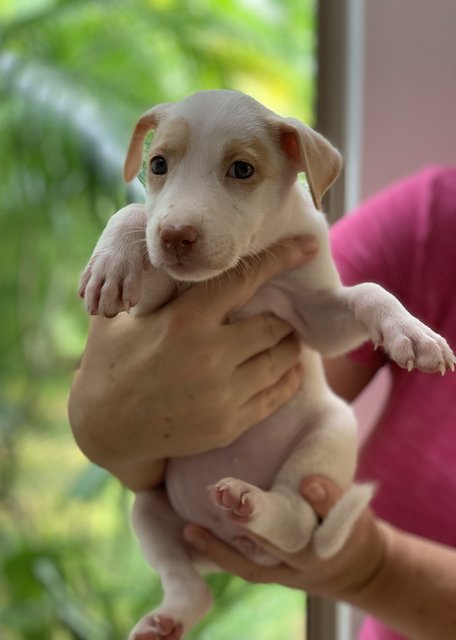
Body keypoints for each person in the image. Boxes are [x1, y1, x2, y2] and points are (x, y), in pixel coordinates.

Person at [68, 166, 456, 640]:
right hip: (190, 511)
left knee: (332, 424)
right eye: (161, 166)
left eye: (242, 171)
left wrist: (376, 569)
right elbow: (196, 370)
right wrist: (102, 425)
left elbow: (320, 327)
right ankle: (183, 588)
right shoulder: (434, 216)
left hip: (285, 511)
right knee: (147, 515)